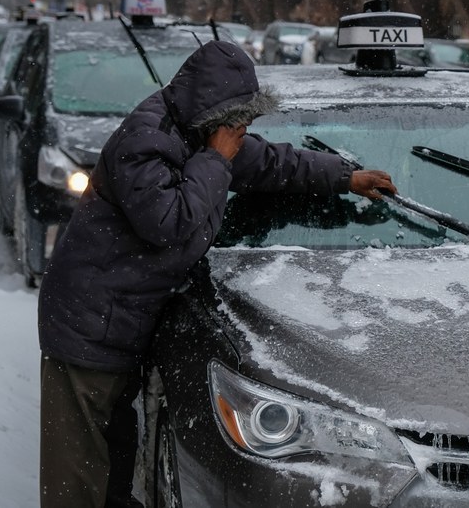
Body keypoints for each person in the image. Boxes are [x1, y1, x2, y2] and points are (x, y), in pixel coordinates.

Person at [37, 40, 396, 508]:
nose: (244, 131)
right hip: (88, 324)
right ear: (215, 114)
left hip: (120, 319)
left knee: (113, 464)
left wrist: (345, 176)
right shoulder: (145, 142)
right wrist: (217, 158)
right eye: (239, 121)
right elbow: (170, 221)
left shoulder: (197, 133)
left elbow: (270, 163)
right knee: (78, 477)